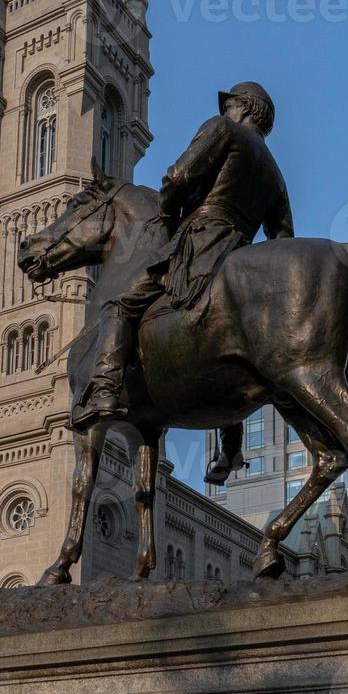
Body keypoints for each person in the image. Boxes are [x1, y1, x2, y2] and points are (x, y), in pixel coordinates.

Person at [76, 81, 294, 484]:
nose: (225, 108)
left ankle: (104, 386)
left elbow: (178, 175)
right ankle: (231, 448)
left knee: (120, 303)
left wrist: (170, 209)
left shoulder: (222, 129)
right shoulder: (276, 174)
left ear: (244, 108)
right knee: (232, 351)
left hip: (197, 245)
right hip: (240, 255)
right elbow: (283, 241)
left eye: (230, 104)